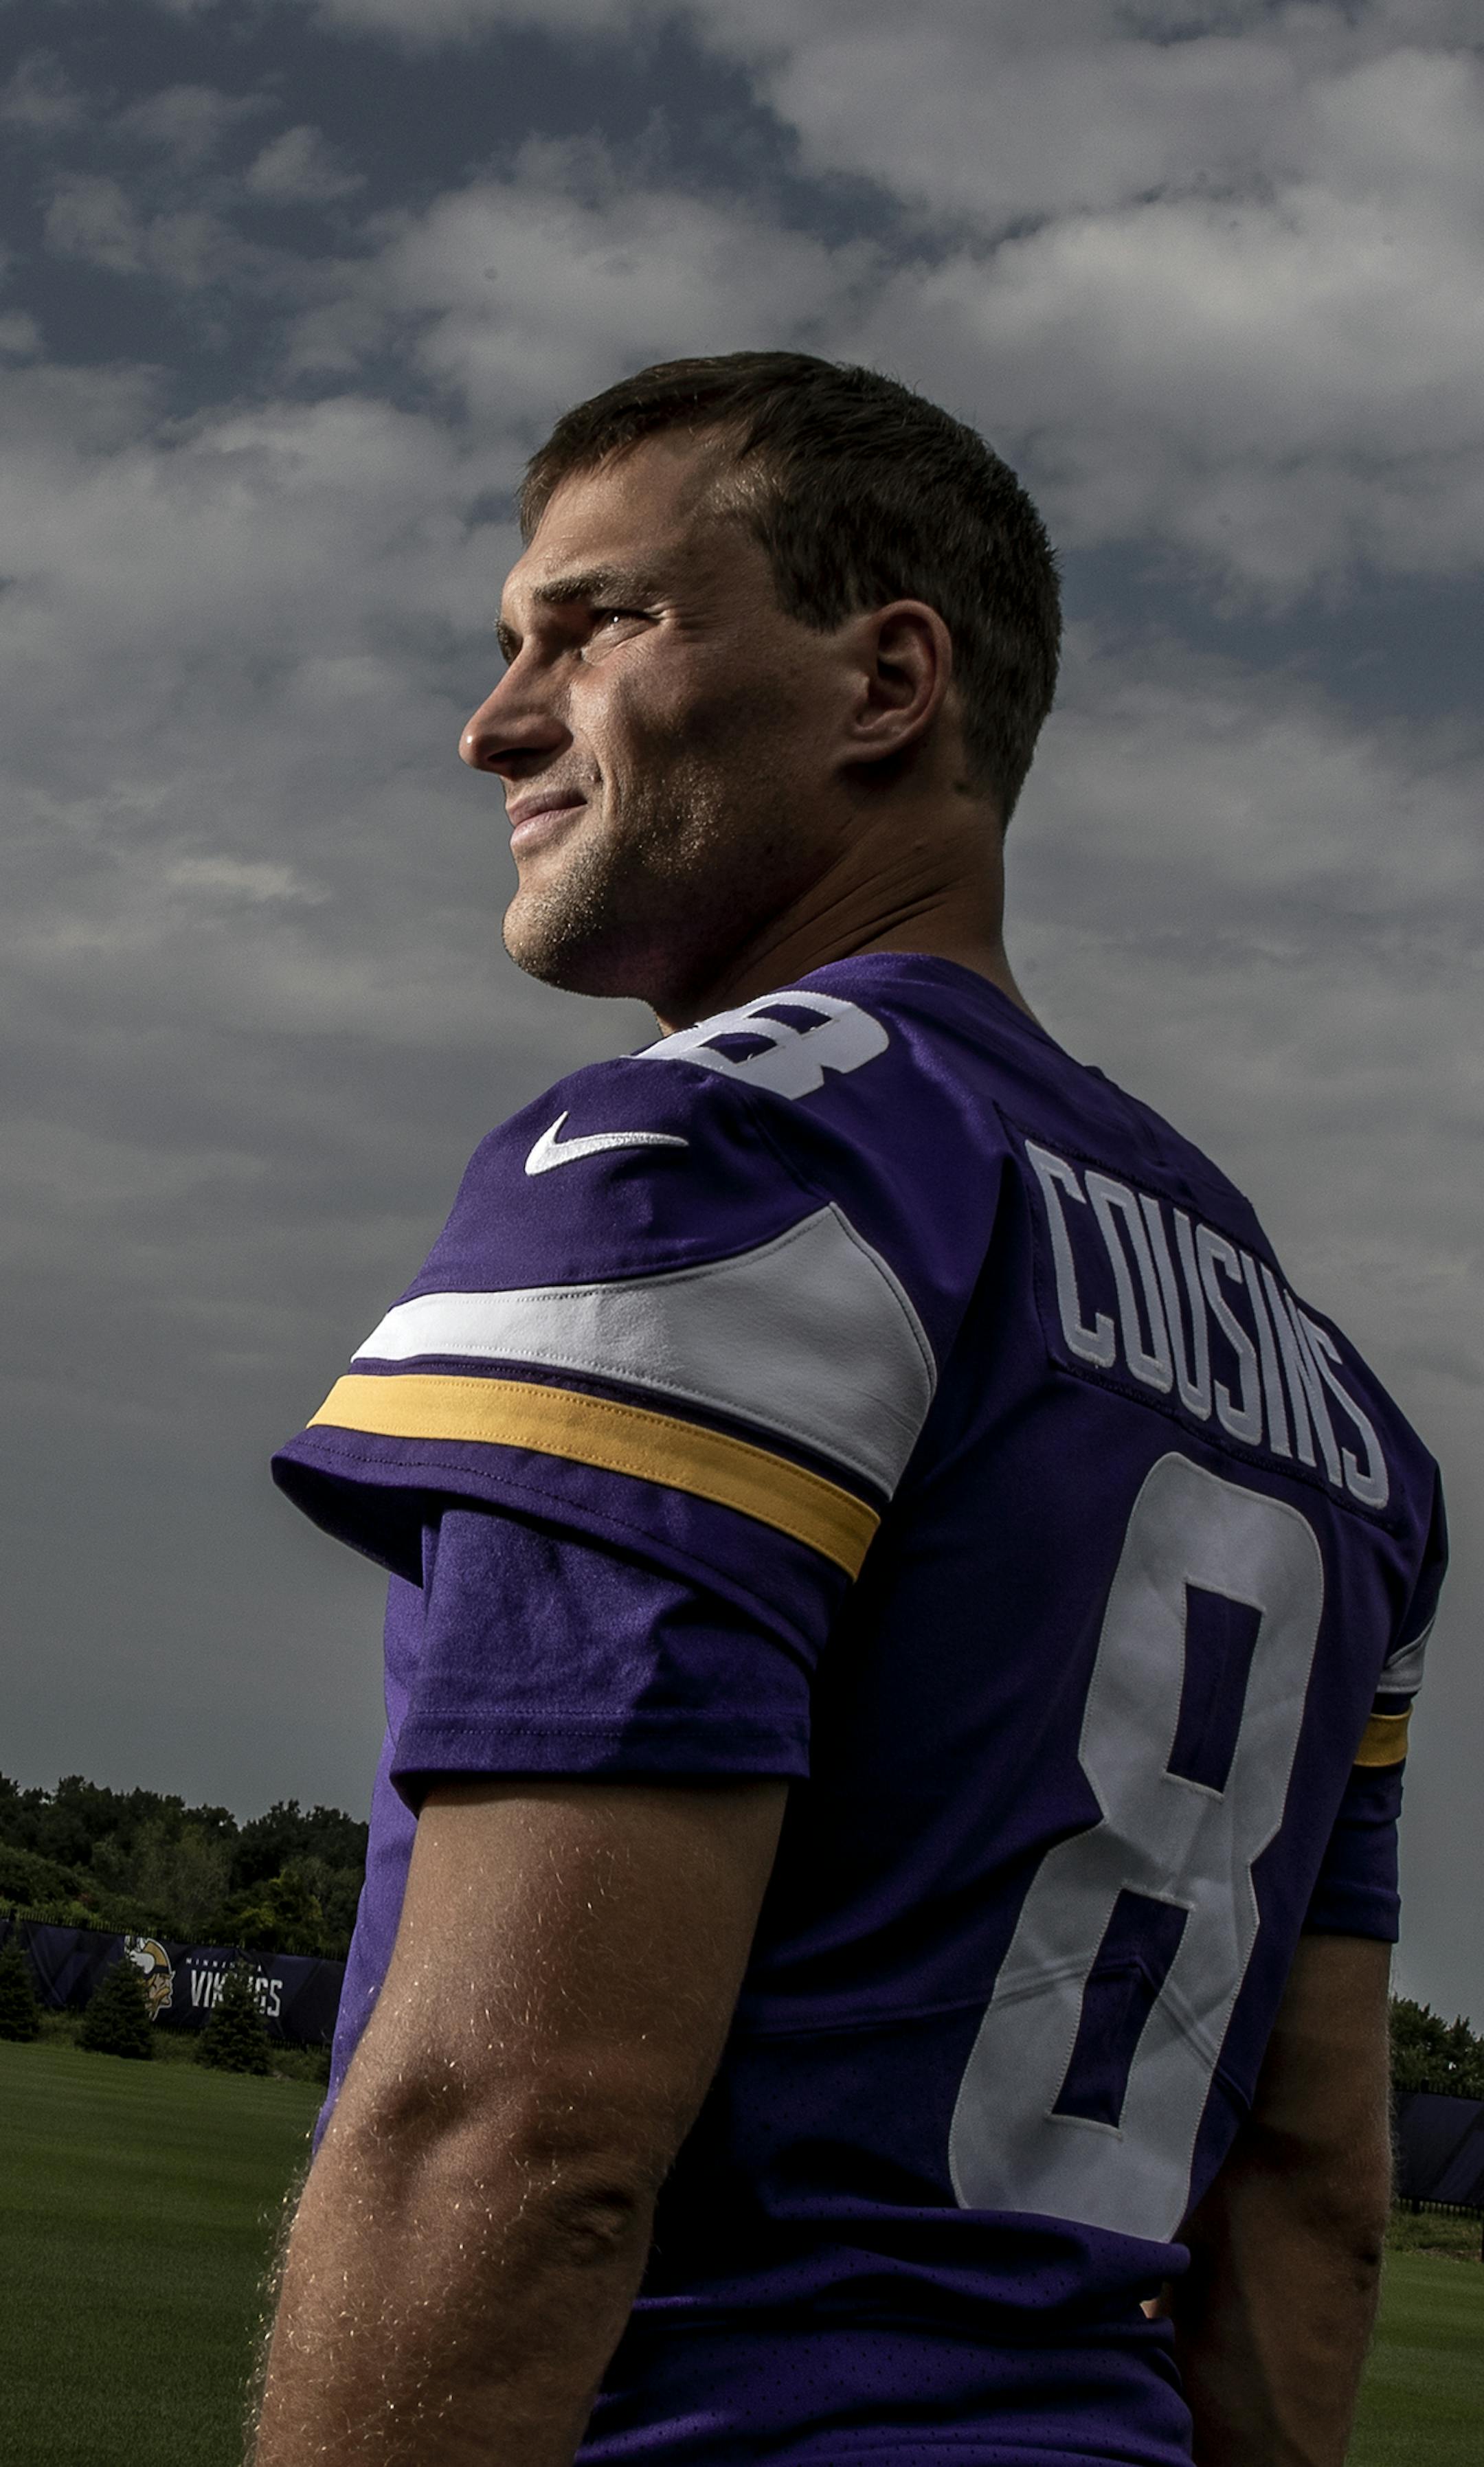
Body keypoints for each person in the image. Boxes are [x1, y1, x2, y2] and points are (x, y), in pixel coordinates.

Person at [258, 353, 1446, 2467]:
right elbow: (1313, 2200)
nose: (495, 721)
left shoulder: (711, 1166)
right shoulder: (1331, 1398)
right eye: (503, 645)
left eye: (596, 624)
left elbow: (525, 2129)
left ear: (889, 681)